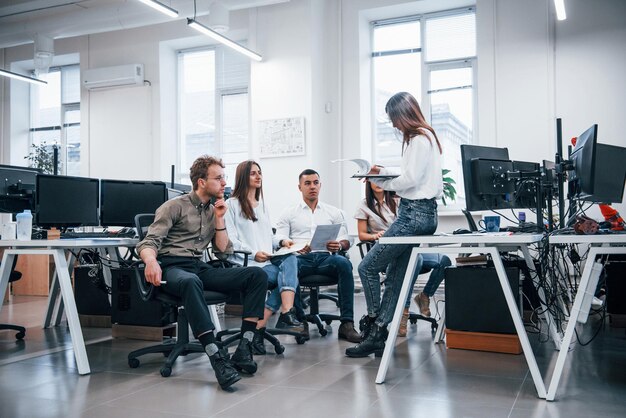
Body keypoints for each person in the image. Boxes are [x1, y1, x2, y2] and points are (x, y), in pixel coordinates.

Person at [136, 155, 268, 390]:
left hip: (199, 266)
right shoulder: (174, 206)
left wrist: (219, 219)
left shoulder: (215, 209)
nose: (224, 183)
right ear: (201, 182)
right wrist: (151, 262)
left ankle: (244, 348)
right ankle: (216, 357)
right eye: (218, 178)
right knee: (190, 281)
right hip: (172, 266)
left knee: (257, 275)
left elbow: (223, 251)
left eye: (224, 177)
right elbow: (149, 242)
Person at [346, 92, 442, 358]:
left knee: (366, 267)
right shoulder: (427, 138)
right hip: (425, 214)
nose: (393, 125)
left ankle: (374, 324)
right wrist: (381, 172)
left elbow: (409, 178)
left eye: (393, 119)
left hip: (412, 214)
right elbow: (415, 173)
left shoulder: (418, 139)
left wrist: (381, 182)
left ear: (404, 114)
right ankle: (379, 332)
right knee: (396, 277)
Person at [225, 160, 304, 355]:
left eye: (259, 173)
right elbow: (231, 241)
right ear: (243, 177)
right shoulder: (231, 205)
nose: (258, 176)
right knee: (287, 278)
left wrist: (283, 242)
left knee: (291, 259)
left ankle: (279, 315)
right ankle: (273, 319)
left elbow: (269, 235)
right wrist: (253, 253)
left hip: (266, 261)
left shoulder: (261, 205)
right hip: (245, 263)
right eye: (253, 173)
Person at [354, 180, 450, 337]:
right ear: (368, 183)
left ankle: (424, 295)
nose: (379, 183)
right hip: (386, 252)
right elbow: (361, 234)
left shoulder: (400, 200)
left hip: (407, 246)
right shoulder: (364, 205)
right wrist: (375, 235)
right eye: (375, 180)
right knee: (415, 261)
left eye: (383, 179)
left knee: (444, 261)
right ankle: (403, 310)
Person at [275, 169, 361, 343]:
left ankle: (347, 324)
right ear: (300, 187)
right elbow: (279, 237)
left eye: (315, 183)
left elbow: (346, 239)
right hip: (300, 258)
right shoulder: (289, 212)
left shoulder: (333, 212)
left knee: (344, 263)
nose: (312, 187)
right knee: (290, 267)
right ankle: (300, 321)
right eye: (307, 183)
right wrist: (289, 243)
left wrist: (340, 244)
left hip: (325, 258)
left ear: (320, 185)